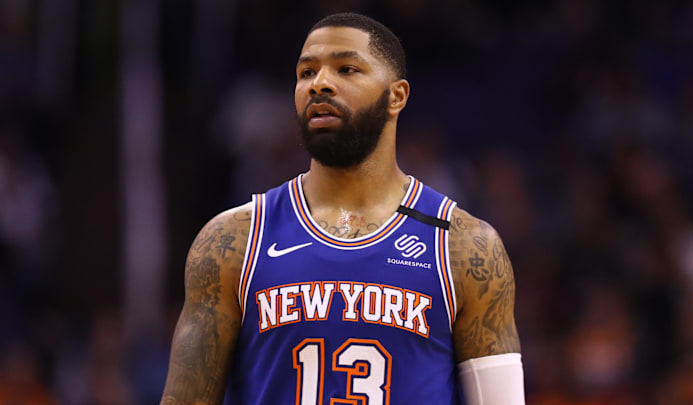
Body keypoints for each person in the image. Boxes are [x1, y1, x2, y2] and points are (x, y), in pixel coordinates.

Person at [161, 12, 525, 405]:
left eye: (346, 69)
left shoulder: (466, 248)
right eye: (306, 73)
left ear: (396, 96)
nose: (319, 84)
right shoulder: (232, 241)